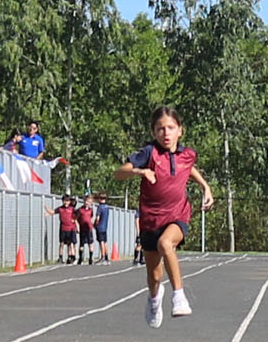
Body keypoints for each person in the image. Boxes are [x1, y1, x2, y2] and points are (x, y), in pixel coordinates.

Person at [114, 105, 214, 328]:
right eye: (160, 129)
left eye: (170, 128)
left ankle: (179, 296)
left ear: (180, 130)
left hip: (177, 215)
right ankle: (154, 299)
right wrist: (139, 171)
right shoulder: (148, 153)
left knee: (166, 243)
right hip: (150, 220)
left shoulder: (187, 155)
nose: (165, 133)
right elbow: (119, 173)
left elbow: (188, 168)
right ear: (153, 132)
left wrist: (206, 187)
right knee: (155, 276)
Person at [45, 194, 78, 263]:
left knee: (69, 243)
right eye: (64, 201)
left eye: (67, 201)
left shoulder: (72, 209)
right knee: (62, 243)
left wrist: (77, 226)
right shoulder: (60, 209)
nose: (66, 202)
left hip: (70, 229)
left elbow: (76, 217)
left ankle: (70, 257)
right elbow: (53, 212)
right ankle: (60, 257)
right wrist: (47, 209)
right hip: (63, 228)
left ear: (69, 202)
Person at [76, 193, 96, 264]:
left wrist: (92, 224)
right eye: (86, 201)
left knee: (90, 243)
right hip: (82, 229)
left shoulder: (91, 210)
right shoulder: (80, 210)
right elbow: (76, 219)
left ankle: (90, 259)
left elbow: (91, 217)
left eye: (89, 202)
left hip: (89, 229)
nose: (87, 203)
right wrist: (77, 226)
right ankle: (80, 258)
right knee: (81, 244)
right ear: (84, 201)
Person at [94, 192, 111, 264]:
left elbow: (98, 218)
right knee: (105, 242)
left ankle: (103, 256)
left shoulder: (100, 207)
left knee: (101, 242)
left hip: (100, 226)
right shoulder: (107, 207)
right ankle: (107, 257)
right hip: (105, 226)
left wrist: (95, 224)